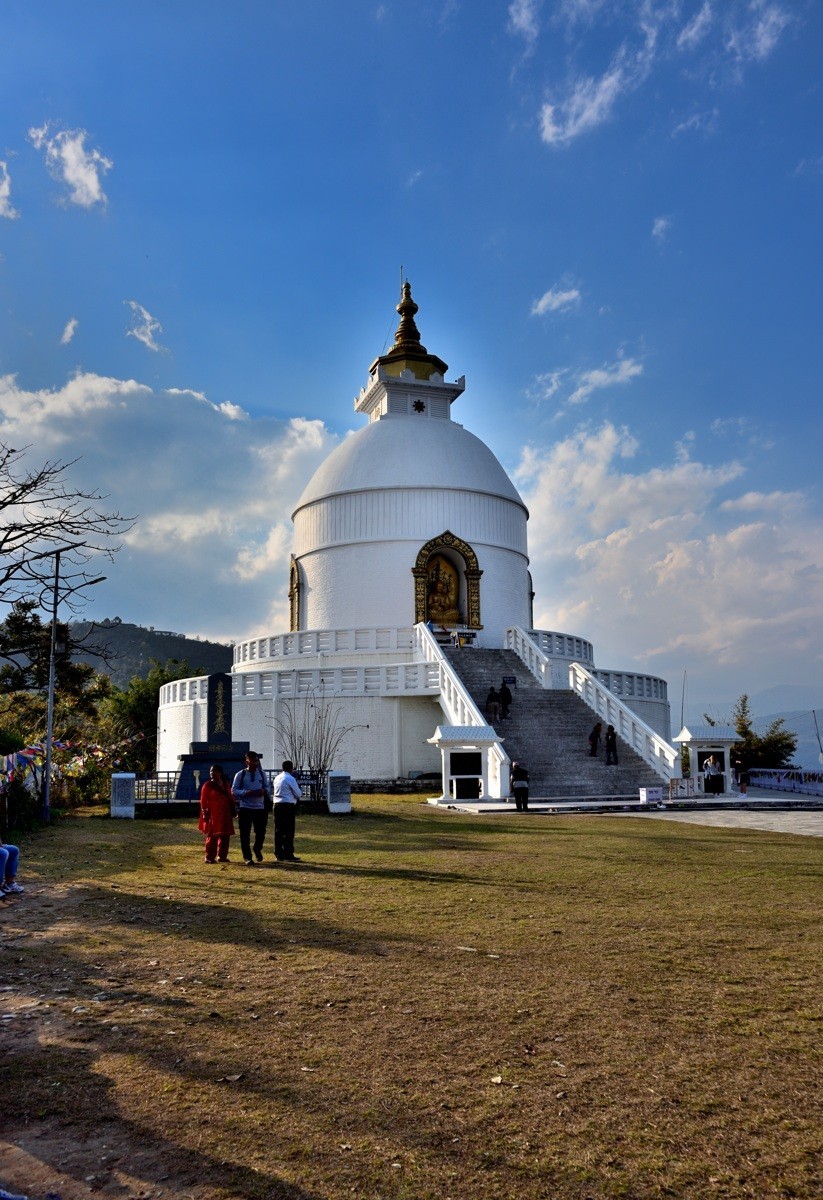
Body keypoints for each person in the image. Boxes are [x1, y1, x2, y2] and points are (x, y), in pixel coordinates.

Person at [232, 750, 270, 866]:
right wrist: (246, 792)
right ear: (246, 761)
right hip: (245, 808)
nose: (255, 763)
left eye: (256, 761)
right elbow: (234, 790)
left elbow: (268, 788)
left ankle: (257, 848)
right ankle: (247, 857)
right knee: (245, 834)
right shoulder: (240, 774)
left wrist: (264, 791)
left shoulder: (262, 774)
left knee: (261, 832)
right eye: (252, 761)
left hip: (260, 808)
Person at [198, 764, 236, 863]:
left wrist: (234, 808)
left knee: (225, 835)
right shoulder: (208, 785)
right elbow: (203, 800)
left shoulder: (225, 784)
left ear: (220, 772)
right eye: (210, 771)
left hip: (225, 813)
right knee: (213, 835)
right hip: (213, 814)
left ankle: (222, 856)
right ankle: (209, 857)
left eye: (214, 771)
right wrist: (204, 811)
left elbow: (230, 796)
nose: (211, 773)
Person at [272, 759, 302, 862]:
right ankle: (288, 853)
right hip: (288, 806)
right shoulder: (290, 778)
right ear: (291, 768)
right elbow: (298, 794)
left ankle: (278, 853)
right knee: (289, 831)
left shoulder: (277, 778)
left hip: (277, 805)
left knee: (278, 830)